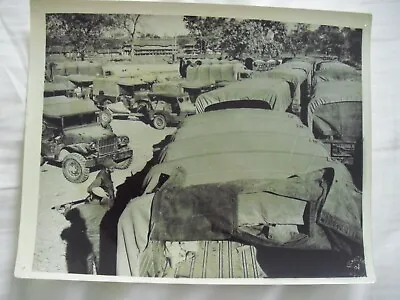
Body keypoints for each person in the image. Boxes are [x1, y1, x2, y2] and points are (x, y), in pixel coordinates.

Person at [60, 159, 117, 275]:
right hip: (100, 241)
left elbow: (68, 215)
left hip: (86, 241)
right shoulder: (105, 210)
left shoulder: (82, 209)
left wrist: (66, 208)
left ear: (91, 196)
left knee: (87, 265)